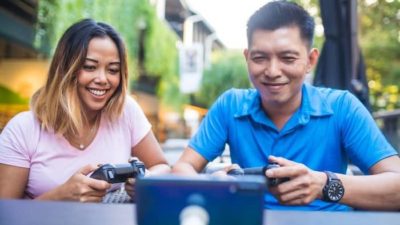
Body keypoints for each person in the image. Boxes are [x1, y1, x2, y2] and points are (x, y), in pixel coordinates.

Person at [173, 1, 400, 211]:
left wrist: (324, 184)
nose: (272, 71)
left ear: (310, 60)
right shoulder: (230, 105)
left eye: (288, 59)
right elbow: (181, 169)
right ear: (247, 58)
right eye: (260, 58)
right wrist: (211, 184)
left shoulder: (342, 107)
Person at [0, 19, 170, 202]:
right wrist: (60, 197)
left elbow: (162, 166)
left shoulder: (126, 111)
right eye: (90, 67)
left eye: (113, 70)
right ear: (65, 68)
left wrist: (146, 182)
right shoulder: (23, 129)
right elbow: (5, 214)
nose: (103, 79)